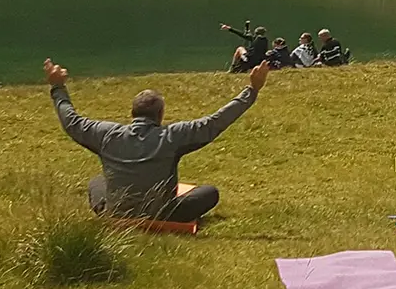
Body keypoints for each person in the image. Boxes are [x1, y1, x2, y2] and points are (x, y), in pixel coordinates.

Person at [45, 57, 270, 222]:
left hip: (117, 212)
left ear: (132, 113)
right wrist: (252, 90)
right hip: (161, 214)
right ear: (160, 115)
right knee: (209, 193)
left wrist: (58, 87)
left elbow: (72, 121)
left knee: (96, 182)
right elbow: (214, 122)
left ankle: (110, 212)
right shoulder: (172, 137)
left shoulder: (106, 135)